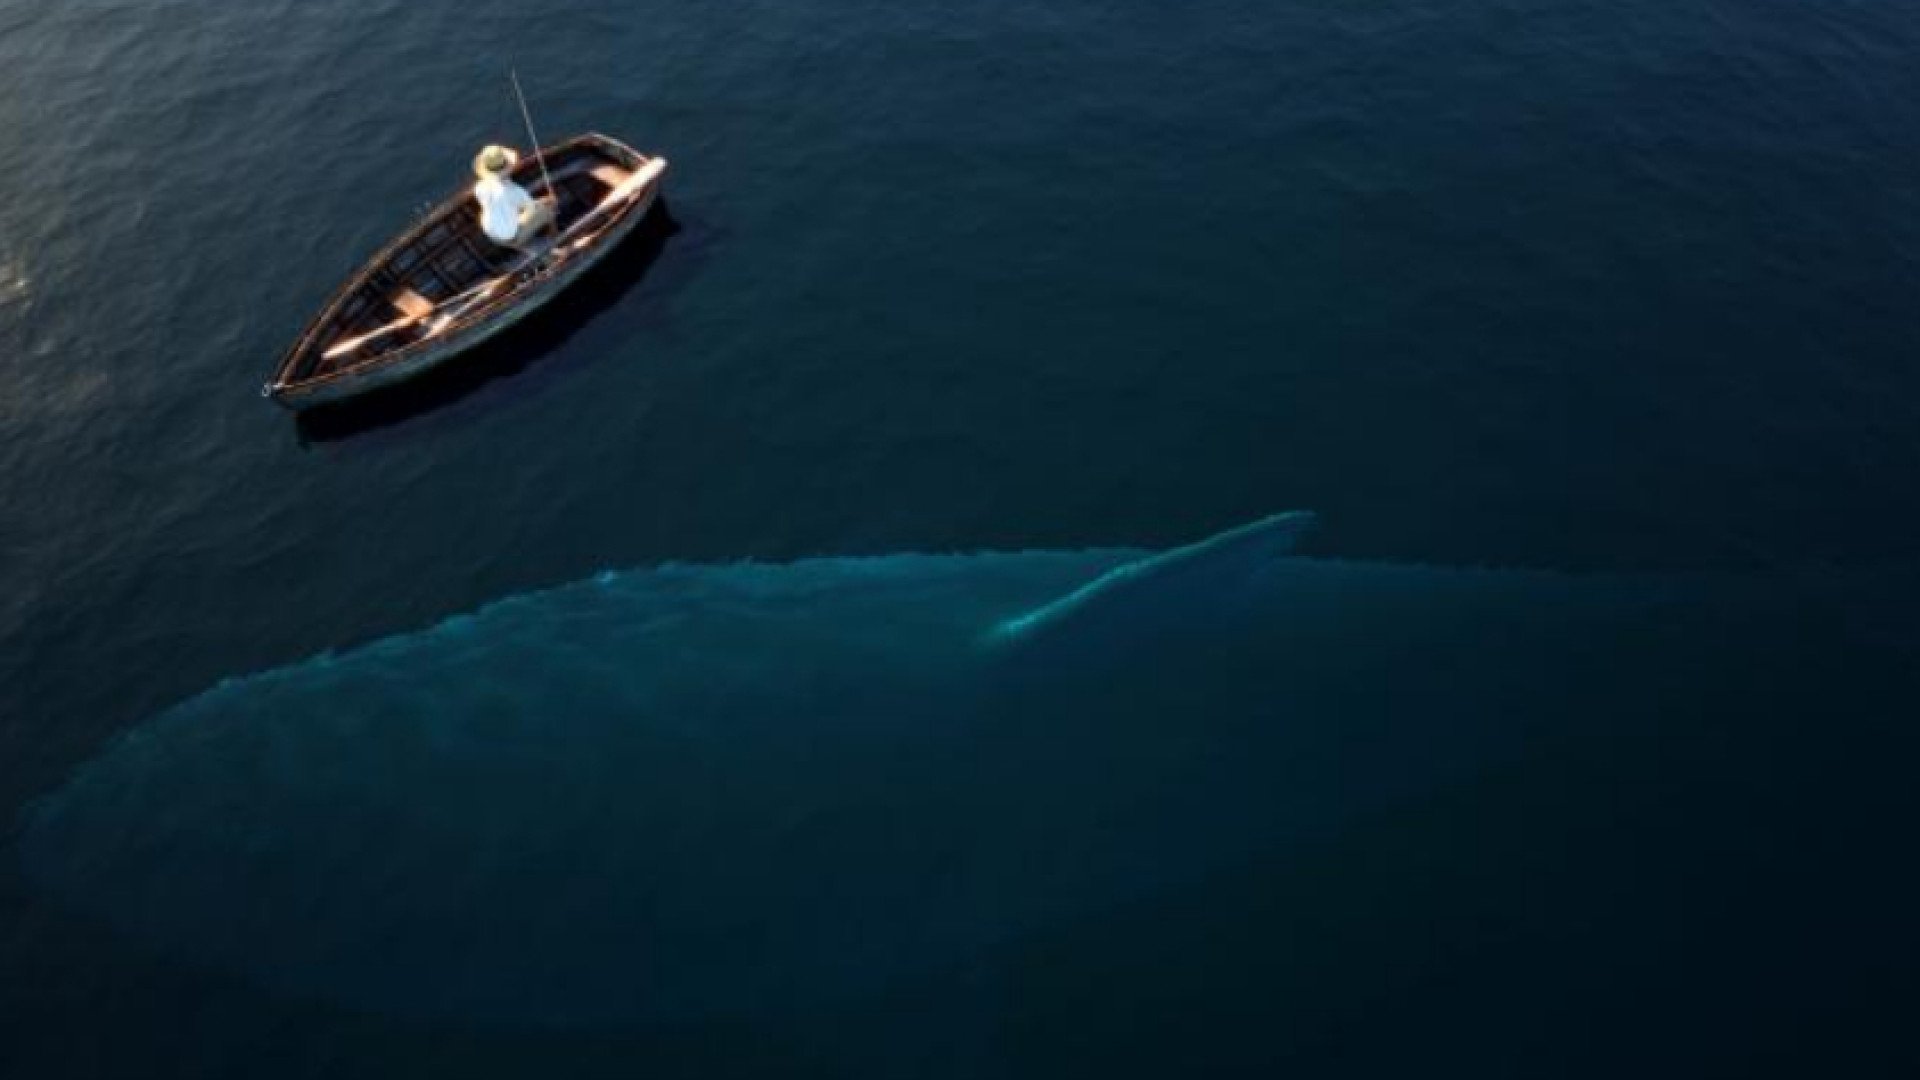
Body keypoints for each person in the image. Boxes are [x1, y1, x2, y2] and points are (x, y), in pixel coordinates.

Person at [471, 145, 556, 251]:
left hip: (490, 232)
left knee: (514, 210)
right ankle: (555, 237)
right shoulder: (516, 192)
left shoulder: (480, 187)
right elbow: (532, 207)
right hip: (511, 238)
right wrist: (547, 199)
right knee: (549, 207)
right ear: (507, 165)